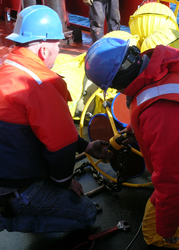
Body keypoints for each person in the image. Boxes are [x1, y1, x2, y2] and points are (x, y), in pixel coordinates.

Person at [0, 5, 112, 233]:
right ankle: (8, 220)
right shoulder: (41, 86)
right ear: (43, 50)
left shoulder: (7, 66)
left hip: (8, 170)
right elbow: (61, 148)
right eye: (58, 45)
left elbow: (43, 131)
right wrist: (63, 182)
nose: (59, 51)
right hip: (16, 186)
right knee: (87, 214)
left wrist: (86, 146)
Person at [84, 37, 179, 249]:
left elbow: (172, 179)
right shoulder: (167, 63)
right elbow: (158, 97)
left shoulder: (159, 116)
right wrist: (134, 130)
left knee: (155, 234)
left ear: (116, 82)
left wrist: (168, 230)